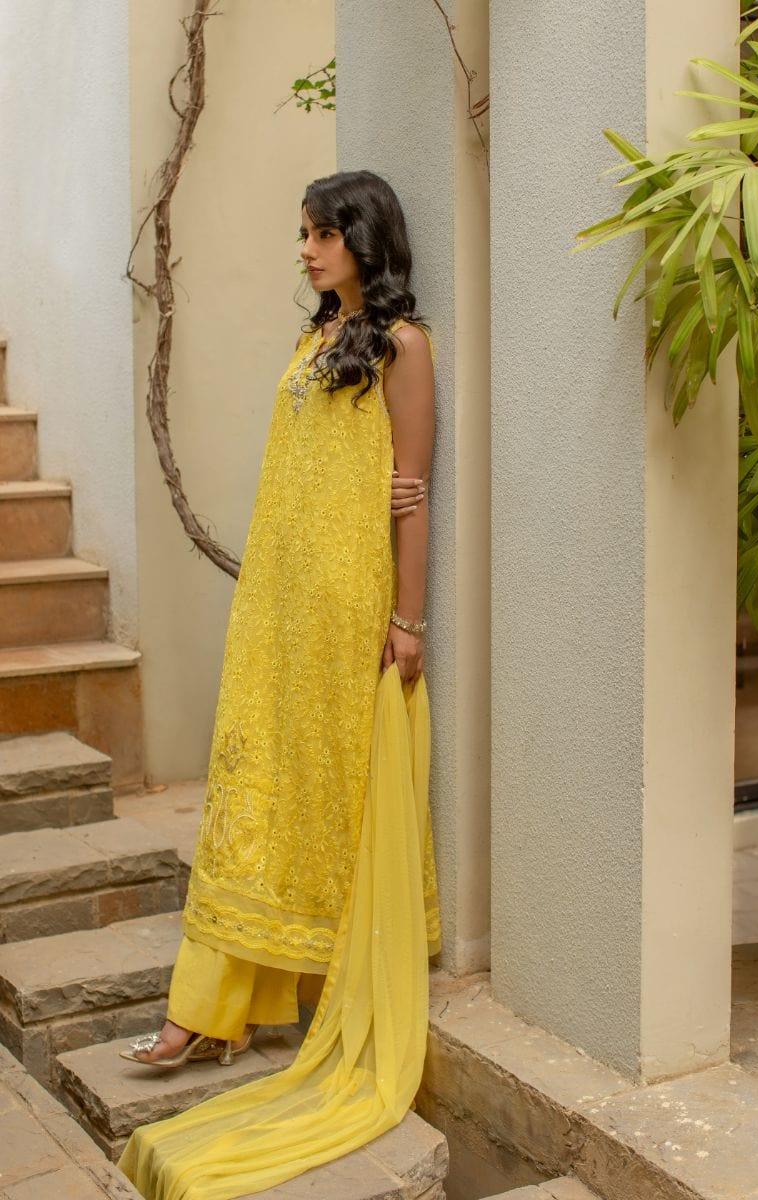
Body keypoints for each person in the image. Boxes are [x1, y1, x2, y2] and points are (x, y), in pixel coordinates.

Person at [119, 168, 440, 1071]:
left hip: (344, 600)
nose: (306, 250)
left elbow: (410, 492)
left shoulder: (404, 347)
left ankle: (231, 1006)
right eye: (304, 234)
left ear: (363, 238)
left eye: (320, 234)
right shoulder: (318, 336)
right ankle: (220, 1006)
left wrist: (409, 620)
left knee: (317, 790)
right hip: (278, 596)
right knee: (251, 784)